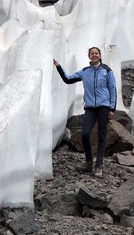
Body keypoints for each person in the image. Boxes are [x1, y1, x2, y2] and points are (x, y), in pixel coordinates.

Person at [53, 47, 117, 178]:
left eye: (96, 53)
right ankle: (89, 163)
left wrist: (112, 108)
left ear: (100, 55)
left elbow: (113, 89)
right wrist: (59, 67)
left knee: (102, 135)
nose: (94, 55)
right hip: (90, 107)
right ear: (89, 56)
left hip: (104, 106)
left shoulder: (107, 70)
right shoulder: (85, 72)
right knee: (85, 133)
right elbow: (68, 79)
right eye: (92, 53)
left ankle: (99, 165)